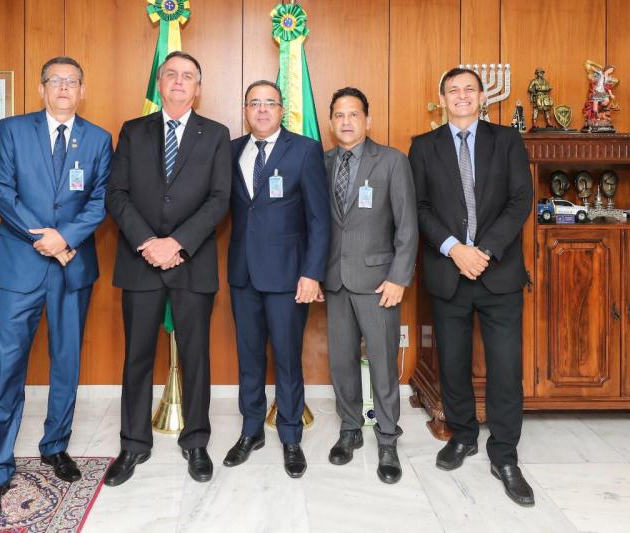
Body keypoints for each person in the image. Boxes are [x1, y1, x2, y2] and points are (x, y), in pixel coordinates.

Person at [0, 56, 112, 526]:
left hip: (72, 268)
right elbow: (1, 191)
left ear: (81, 90)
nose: (63, 88)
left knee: (66, 361)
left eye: (72, 82)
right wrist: (43, 238)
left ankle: (56, 445)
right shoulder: (12, 130)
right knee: (8, 366)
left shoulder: (97, 139)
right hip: (19, 266)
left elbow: (99, 201)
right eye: (55, 81)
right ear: (41, 88)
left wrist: (65, 238)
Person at [104, 51, 231, 487]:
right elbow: (116, 195)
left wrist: (176, 243)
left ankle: (196, 441)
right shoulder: (133, 131)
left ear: (198, 87)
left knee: (197, 357)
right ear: (159, 83)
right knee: (137, 357)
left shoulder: (216, 135)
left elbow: (219, 199)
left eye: (188, 76)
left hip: (192, 262)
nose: (179, 81)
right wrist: (148, 244)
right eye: (171, 74)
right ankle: (133, 444)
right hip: (140, 263)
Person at [409, 67, 534, 507]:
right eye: (452, 90)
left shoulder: (507, 141)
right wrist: (453, 249)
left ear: (483, 97)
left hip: (497, 272)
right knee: (453, 363)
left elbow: (522, 199)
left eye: (469, 90)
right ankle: (462, 436)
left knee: (504, 369)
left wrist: (484, 251)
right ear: (441, 98)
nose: (461, 96)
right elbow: (418, 207)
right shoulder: (423, 147)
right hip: (448, 273)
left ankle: (505, 454)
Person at [222, 80, 330, 479]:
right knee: (248, 358)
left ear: (282, 110)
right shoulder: (230, 151)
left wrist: (312, 273)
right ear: (245, 110)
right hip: (242, 274)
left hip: (289, 276)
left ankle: (290, 436)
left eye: (270, 103)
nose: (262, 110)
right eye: (255, 103)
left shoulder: (304, 150)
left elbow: (320, 220)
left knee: (286, 359)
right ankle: (251, 431)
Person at [322, 87, 417, 483]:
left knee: (381, 362)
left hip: (379, 282)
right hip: (335, 281)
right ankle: (349, 430)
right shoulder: (321, 162)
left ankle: (388, 438)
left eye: (354, 114)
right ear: (330, 122)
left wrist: (398, 278)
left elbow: (407, 226)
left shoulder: (392, 161)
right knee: (342, 362)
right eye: (339, 115)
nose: (346, 121)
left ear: (368, 119)